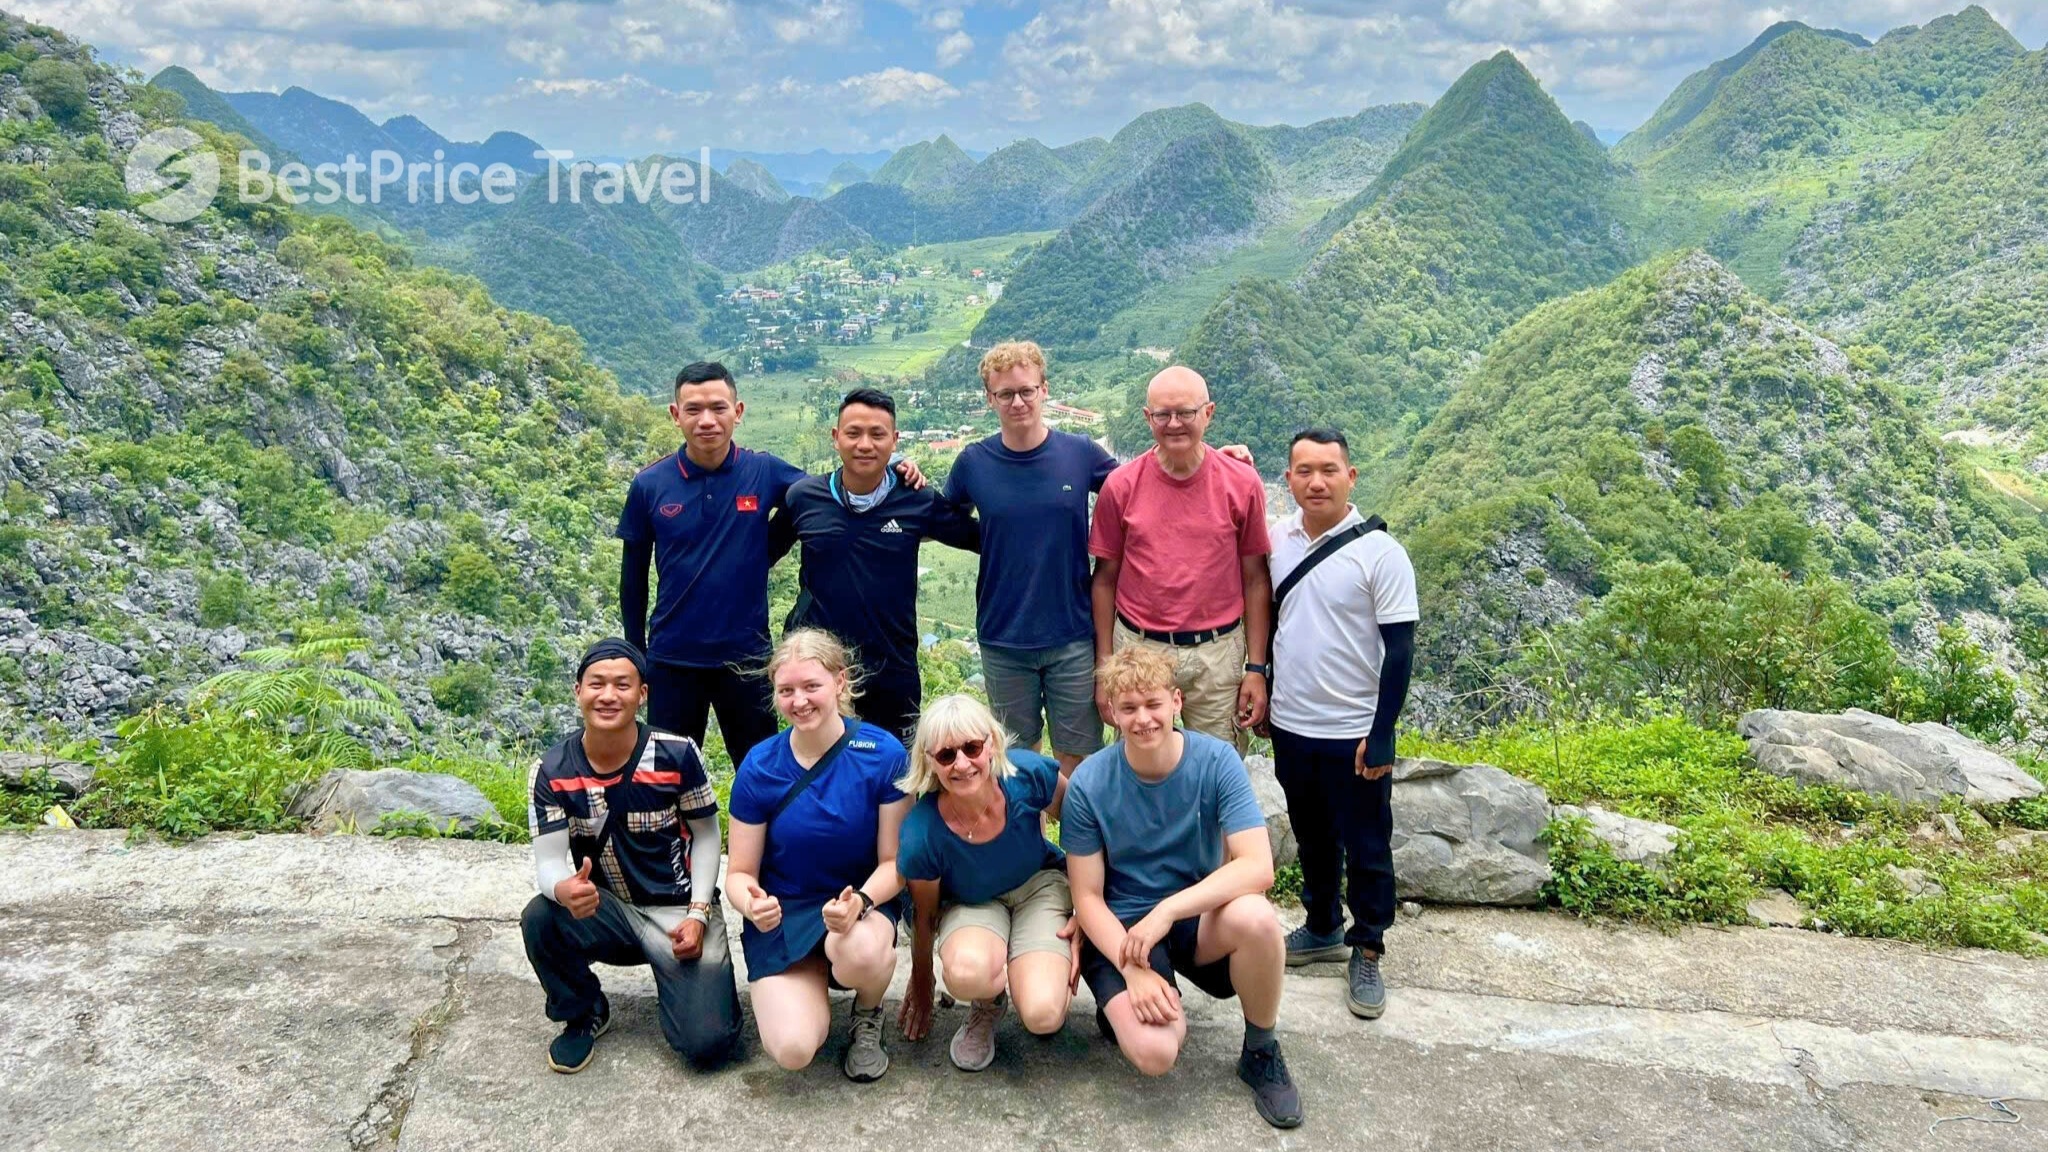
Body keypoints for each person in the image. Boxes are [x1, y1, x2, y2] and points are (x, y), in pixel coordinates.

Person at [618, 361, 922, 765]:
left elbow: (828, 492)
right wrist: (636, 654)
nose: (707, 420)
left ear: (738, 411)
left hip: (748, 658)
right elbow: (633, 580)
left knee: (761, 770)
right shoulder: (650, 484)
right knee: (669, 773)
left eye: (718, 407)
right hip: (673, 658)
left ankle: (754, 832)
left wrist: (893, 461)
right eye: (693, 409)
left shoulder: (763, 471)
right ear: (676, 415)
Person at [1065, 646, 1301, 1129]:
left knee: (1257, 918)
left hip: (1193, 917)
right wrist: (1133, 971)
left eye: (1153, 704)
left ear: (1176, 702)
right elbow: (1087, 898)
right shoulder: (1090, 781)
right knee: (1156, 1052)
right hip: (1124, 927)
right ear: (1111, 712)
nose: (1143, 719)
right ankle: (1131, 1003)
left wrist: (1170, 909)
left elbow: (1258, 867)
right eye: (1128, 708)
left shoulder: (1216, 761)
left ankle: (1260, 1049)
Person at [520, 638, 741, 1074]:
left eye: (623, 684)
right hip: (608, 911)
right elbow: (547, 860)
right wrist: (563, 887)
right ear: (577, 691)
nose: (608, 695)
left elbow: (707, 835)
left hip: (677, 911)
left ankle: (686, 988)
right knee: (541, 917)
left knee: (707, 1043)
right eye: (596, 683)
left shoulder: (677, 754)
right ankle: (582, 1011)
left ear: (642, 694)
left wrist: (698, 912)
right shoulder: (552, 770)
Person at [1266, 428, 1417, 1020]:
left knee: (1368, 843)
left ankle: (1370, 947)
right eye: (1304, 470)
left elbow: (1400, 650)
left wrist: (1383, 732)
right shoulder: (1277, 540)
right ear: (1290, 479)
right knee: (1312, 835)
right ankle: (1323, 923)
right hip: (1292, 723)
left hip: (1353, 729)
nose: (1317, 481)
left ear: (1350, 476)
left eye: (1329, 469)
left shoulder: (1382, 554)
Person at [725, 628, 911, 1081]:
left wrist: (861, 902)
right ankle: (810, 988)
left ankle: (867, 1014)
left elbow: (895, 864)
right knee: (793, 1049)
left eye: (812, 686)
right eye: (786, 690)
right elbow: (739, 873)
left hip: (858, 906)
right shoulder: (760, 765)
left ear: (840, 683)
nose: (799, 701)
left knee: (861, 952)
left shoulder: (882, 754)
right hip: (784, 911)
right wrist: (752, 902)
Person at [775, 388, 979, 743]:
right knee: (825, 769)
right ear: (836, 438)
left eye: (877, 434)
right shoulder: (804, 498)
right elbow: (757, 556)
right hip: (820, 671)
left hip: (892, 668)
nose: (865, 444)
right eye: (853, 433)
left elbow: (982, 538)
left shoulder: (916, 499)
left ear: (894, 440)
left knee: (896, 774)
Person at [1089, 365, 1272, 752]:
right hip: (1140, 648)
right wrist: (1106, 667)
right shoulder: (1121, 486)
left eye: (1186, 413)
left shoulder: (1241, 484)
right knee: (1143, 764)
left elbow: (1256, 578)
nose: (1174, 424)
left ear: (1208, 413)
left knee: (1216, 769)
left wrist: (1255, 668)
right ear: (1147, 417)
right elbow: (1104, 579)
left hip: (1217, 654)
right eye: (1162, 415)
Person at [895, 694, 1080, 1071]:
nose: (962, 763)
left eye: (972, 747)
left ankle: (1031, 962)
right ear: (929, 762)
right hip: (972, 902)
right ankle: (988, 1002)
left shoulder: (1027, 775)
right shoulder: (922, 832)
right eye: (946, 755)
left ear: (991, 744)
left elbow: (1083, 831)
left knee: (1044, 1015)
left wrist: (1088, 911)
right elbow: (925, 914)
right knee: (965, 974)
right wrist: (922, 979)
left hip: (1037, 885)